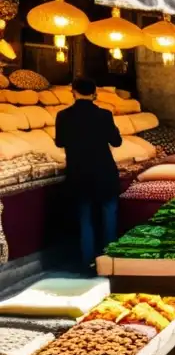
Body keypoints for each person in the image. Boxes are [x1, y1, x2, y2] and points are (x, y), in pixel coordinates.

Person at [55, 78, 123, 270]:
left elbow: (60, 142)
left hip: (79, 173)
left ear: (73, 92)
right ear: (95, 93)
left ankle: (88, 262)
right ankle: (109, 262)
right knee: (109, 214)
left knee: (86, 219)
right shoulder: (104, 115)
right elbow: (116, 142)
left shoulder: (63, 116)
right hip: (104, 172)